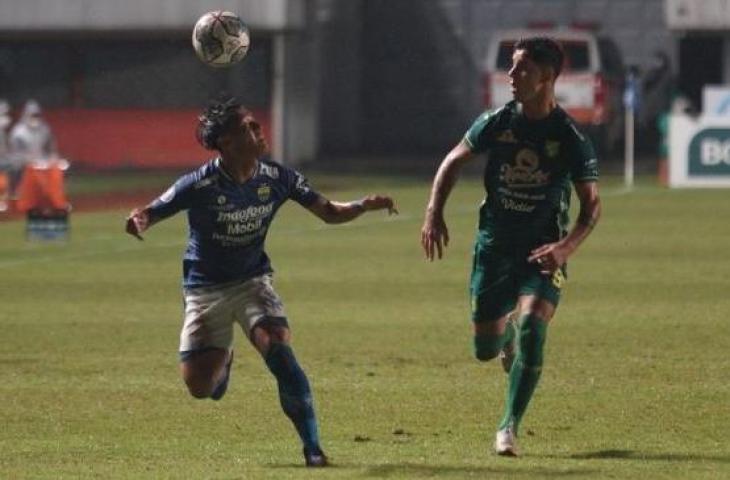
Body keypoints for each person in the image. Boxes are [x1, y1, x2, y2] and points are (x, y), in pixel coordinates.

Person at [125, 95, 397, 467]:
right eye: (247, 128)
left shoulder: (278, 177)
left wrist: (363, 205)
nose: (258, 131)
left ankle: (313, 449)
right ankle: (223, 364)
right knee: (201, 388)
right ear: (226, 142)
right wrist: (138, 221)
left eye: (256, 124)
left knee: (280, 353)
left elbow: (328, 212)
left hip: (253, 281)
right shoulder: (198, 184)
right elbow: (151, 212)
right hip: (205, 290)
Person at [420, 37, 601, 456]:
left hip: (542, 253)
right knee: (485, 349)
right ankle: (505, 340)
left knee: (535, 327)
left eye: (522, 69)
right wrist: (433, 212)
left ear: (548, 77)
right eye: (512, 67)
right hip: (494, 248)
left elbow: (592, 205)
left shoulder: (569, 137)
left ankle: (508, 426)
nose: (512, 76)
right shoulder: (498, 122)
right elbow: (452, 162)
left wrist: (565, 249)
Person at [8, 99, 59, 194]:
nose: (35, 118)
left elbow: (50, 147)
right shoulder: (19, 132)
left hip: (40, 162)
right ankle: (16, 194)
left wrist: (52, 157)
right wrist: (28, 160)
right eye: (32, 116)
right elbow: (17, 152)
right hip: (21, 164)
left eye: (37, 115)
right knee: (17, 171)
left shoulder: (44, 129)